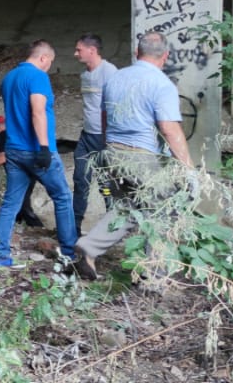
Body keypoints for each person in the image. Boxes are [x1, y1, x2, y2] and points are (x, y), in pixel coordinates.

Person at [73, 32, 193, 281]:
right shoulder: (162, 84)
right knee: (164, 211)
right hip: (143, 158)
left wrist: (109, 148)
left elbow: (104, 119)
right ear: (166, 56)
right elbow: (170, 129)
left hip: (113, 152)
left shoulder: (116, 79)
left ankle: (89, 248)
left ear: (137, 53)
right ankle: (156, 276)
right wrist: (188, 169)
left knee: (129, 207)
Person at [0, 40, 77, 269]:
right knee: (62, 197)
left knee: (11, 202)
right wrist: (43, 148)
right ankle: (69, 254)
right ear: (43, 58)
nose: (49, 66)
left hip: (13, 149)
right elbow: (38, 112)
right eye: (49, 62)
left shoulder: (9, 77)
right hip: (36, 151)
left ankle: (0, 256)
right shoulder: (38, 77)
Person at [72, 33, 116, 233]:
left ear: (92, 50)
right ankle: (75, 226)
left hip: (103, 139)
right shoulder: (84, 75)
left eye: (79, 50)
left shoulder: (109, 73)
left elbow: (115, 107)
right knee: (81, 180)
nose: (75, 54)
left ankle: (112, 226)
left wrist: (110, 139)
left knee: (106, 184)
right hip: (86, 136)